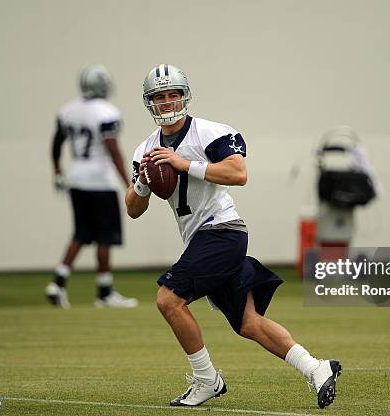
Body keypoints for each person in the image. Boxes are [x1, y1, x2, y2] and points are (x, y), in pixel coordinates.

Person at [125, 64, 341, 408]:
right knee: (249, 323)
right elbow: (133, 209)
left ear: (184, 96)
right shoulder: (144, 151)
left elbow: (238, 173)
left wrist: (183, 164)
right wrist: (142, 183)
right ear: (149, 102)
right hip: (200, 238)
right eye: (159, 97)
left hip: (222, 231)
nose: (167, 103)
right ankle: (316, 368)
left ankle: (207, 380)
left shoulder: (209, 133)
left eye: (173, 95)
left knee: (169, 300)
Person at [46, 64, 138, 309]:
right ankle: (104, 291)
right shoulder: (106, 111)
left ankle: (58, 282)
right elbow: (113, 149)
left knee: (81, 233)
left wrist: (57, 170)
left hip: (76, 177)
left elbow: (56, 143)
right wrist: (129, 182)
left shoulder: (68, 110)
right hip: (100, 179)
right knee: (104, 236)